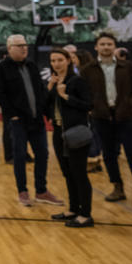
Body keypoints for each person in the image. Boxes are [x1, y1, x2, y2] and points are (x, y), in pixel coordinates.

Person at [81, 33, 132, 211]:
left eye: (109, 44)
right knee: (109, 155)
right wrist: (91, 107)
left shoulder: (129, 67)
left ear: (114, 47)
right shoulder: (88, 69)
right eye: (102, 44)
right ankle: (117, 187)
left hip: (126, 116)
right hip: (102, 117)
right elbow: (83, 91)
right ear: (96, 47)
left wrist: (130, 104)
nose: (106, 47)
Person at [0, 34, 64, 208]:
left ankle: (41, 191)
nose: (24, 48)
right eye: (19, 45)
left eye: (25, 44)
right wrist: (12, 115)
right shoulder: (1, 68)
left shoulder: (31, 65)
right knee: (19, 156)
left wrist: (47, 114)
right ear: (10, 49)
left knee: (43, 154)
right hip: (18, 121)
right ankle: (22, 191)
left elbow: (39, 90)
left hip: (36, 119)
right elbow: (0, 93)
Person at [45, 48, 94, 228]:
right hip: (59, 132)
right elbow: (45, 108)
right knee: (67, 173)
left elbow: (88, 105)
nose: (56, 64)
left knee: (79, 173)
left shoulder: (77, 81)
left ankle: (86, 214)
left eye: (59, 60)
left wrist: (65, 96)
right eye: (53, 61)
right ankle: (73, 209)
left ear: (68, 61)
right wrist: (50, 88)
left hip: (76, 132)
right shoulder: (55, 81)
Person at [67, 47, 103, 173]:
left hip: (88, 108)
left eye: (74, 58)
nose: (72, 61)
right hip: (93, 108)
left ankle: (92, 161)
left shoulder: (84, 73)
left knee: (91, 135)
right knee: (95, 135)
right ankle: (97, 160)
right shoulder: (90, 71)